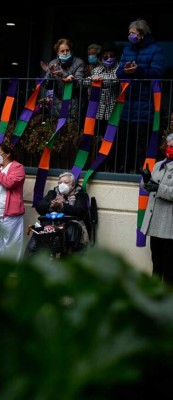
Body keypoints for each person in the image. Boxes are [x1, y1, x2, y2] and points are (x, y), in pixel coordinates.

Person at [116, 19, 165, 173]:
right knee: (125, 138)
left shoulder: (155, 49)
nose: (130, 35)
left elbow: (157, 73)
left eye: (133, 33)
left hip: (145, 103)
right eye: (129, 33)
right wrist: (126, 71)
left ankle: (141, 169)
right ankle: (124, 166)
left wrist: (137, 71)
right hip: (128, 103)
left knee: (141, 139)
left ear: (142, 34)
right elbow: (118, 73)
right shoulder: (127, 49)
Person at [140, 133, 173, 284]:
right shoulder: (159, 164)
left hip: (169, 224)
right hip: (155, 222)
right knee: (156, 262)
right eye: (169, 145)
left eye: (172, 146)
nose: (169, 149)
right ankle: (154, 297)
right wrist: (146, 180)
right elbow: (147, 187)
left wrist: (158, 187)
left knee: (168, 266)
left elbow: (163, 190)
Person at [33, 171, 90, 254]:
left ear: (73, 185)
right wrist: (51, 204)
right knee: (38, 231)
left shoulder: (80, 195)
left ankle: (68, 256)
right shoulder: (53, 193)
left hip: (71, 223)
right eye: (60, 182)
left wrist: (63, 206)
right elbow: (39, 206)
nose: (62, 185)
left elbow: (81, 211)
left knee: (71, 229)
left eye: (66, 182)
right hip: (53, 223)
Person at [41, 38, 86, 123]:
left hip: (74, 105)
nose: (65, 53)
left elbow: (79, 83)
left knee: (72, 133)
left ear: (71, 51)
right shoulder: (52, 63)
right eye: (62, 51)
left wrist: (63, 74)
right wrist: (50, 74)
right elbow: (46, 86)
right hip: (56, 106)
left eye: (67, 50)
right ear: (57, 52)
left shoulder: (79, 62)